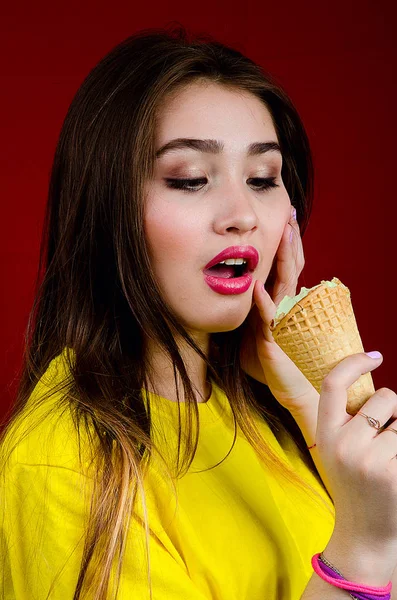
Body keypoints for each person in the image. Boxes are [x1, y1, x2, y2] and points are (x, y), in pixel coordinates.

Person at [1, 25, 397, 600]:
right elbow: (369, 559)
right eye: (190, 180)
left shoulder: (273, 407)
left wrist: (311, 412)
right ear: (107, 206)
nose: (242, 214)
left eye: (263, 178)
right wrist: (358, 551)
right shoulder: (66, 464)